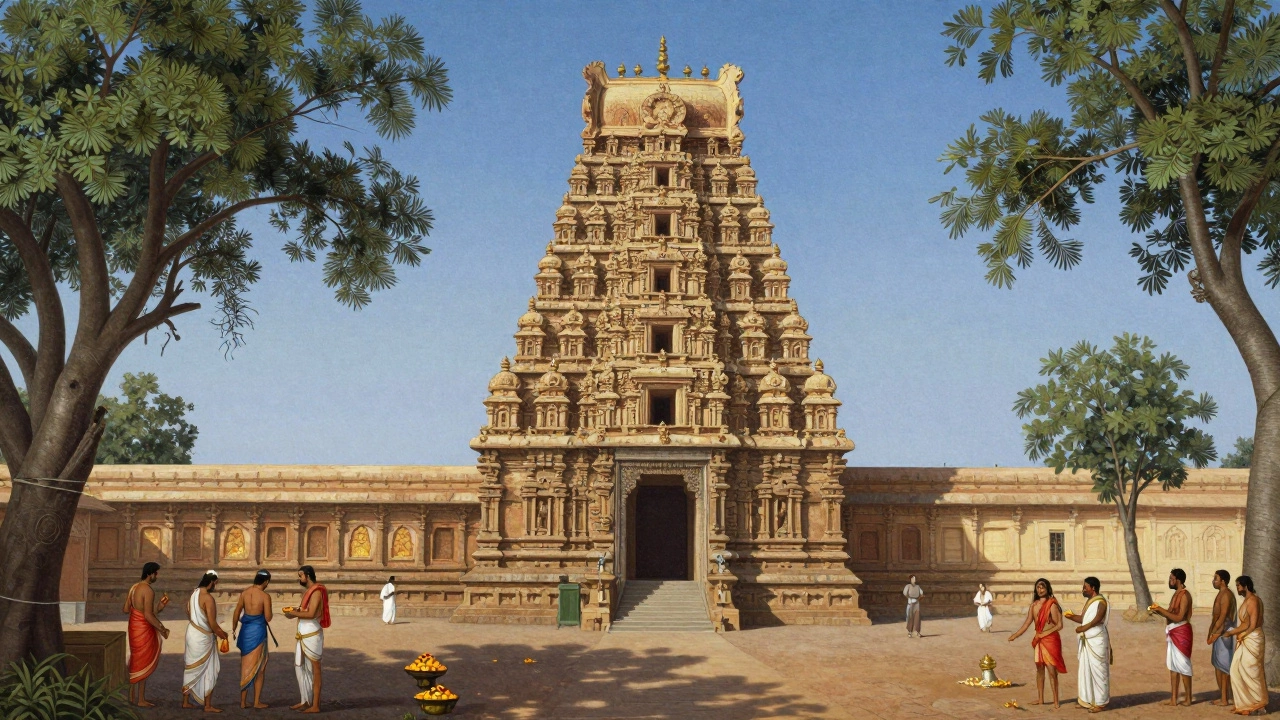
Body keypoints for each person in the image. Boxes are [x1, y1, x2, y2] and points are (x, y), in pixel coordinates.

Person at [1009, 577, 1065, 709]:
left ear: (1047, 589)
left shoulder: (1052, 605)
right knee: (1039, 669)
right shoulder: (1033, 606)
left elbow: (1059, 625)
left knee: (1052, 671)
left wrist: (1044, 634)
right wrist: (1015, 635)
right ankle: (1040, 699)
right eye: (1038, 587)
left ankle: (1056, 700)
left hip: (1051, 641)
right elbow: (1027, 623)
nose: (1040, 590)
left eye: (1042, 587)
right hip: (1039, 641)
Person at [123, 561, 170, 707]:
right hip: (143, 630)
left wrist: (160, 607)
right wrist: (162, 629)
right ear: (150, 573)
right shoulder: (148, 590)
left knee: (135, 659)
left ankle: (131, 696)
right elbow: (148, 616)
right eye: (156, 573)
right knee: (143, 661)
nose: (157, 576)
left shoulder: (134, 588)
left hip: (134, 627)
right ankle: (141, 699)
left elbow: (126, 609)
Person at [285, 565, 330, 713]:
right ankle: (305, 700)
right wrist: (294, 612)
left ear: (308, 576)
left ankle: (315, 705)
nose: (299, 578)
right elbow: (304, 611)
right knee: (300, 667)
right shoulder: (309, 591)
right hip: (302, 634)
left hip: (312, 634)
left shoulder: (316, 592)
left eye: (301, 575)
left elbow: (311, 614)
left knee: (314, 669)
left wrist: (294, 614)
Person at [182, 570, 229, 713]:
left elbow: (188, 612)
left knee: (191, 667)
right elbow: (213, 624)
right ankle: (208, 705)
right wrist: (223, 634)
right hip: (203, 637)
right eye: (215, 583)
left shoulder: (193, 594)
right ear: (212, 582)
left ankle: (185, 701)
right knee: (209, 669)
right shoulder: (208, 598)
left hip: (192, 633)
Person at [1223, 576, 1268, 716]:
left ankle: (1258, 704)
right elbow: (1245, 624)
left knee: (1251, 670)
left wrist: (1242, 635)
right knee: (1235, 669)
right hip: (1246, 637)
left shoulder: (1253, 601)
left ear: (1245, 586)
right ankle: (1244, 704)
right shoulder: (1247, 601)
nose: (1237, 588)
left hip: (1253, 638)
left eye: (1238, 585)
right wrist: (1231, 633)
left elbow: (1253, 625)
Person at [1064, 576, 1109, 712]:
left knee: (1098, 671)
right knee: (1086, 671)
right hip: (1087, 640)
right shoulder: (1090, 602)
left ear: (1093, 588)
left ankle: (1100, 702)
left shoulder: (1101, 601)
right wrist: (1071, 616)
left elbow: (1098, 618)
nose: (1083, 589)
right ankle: (1087, 700)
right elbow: (1084, 619)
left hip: (1097, 640)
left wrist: (1084, 628)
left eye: (1085, 587)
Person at [1150, 568, 1194, 706]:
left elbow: (1179, 617)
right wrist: (1157, 611)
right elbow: (1170, 614)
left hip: (1181, 633)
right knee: (1173, 666)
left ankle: (1188, 698)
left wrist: (1160, 610)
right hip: (1172, 632)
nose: (1170, 581)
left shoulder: (1185, 595)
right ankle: (1174, 698)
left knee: (1184, 666)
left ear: (1178, 580)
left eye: (1171, 579)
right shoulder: (1176, 594)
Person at [232, 570, 273, 710]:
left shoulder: (244, 593)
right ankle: (256, 702)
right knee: (260, 667)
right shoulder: (265, 596)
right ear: (266, 581)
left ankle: (243, 702)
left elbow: (237, 612)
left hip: (245, 631)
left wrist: (233, 628)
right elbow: (268, 617)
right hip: (258, 633)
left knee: (245, 666)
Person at [1207, 569, 1237, 707]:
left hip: (1224, 634)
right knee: (1218, 666)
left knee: (1224, 667)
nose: (1213, 581)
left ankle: (1225, 699)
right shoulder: (1221, 593)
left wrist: (1215, 633)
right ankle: (1224, 696)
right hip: (1219, 634)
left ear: (1223, 581)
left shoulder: (1226, 595)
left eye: (1216, 578)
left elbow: (1223, 617)